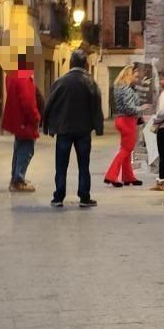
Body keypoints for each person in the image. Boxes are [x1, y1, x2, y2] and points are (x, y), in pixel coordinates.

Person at [42, 47, 103, 208]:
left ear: (70, 63)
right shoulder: (90, 82)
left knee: (61, 165)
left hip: (64, 130)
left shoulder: (60, 82)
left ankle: (58, 197)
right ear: (85, 64)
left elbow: (49, 104)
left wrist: (47, 126)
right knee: (84, 165)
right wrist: (99, 127)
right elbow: (96, 105)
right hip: (83, 130)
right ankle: (84, 197)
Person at [1, 54, 42, 193]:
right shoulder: (24, 79)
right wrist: (36, 117)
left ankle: (15, 177)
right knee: (26, 149)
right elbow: (27, 102)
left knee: (18, 148)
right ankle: (18, 180)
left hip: (18, 120)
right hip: (25, 121)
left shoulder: (12, 76)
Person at [104, 66, 143, 188]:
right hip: (127, 120)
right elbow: (129, 108)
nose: (137, 79)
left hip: (121, 119)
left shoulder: (119, 88)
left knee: (126, 149)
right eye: (135, 76)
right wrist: (142, 108)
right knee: (126, 150)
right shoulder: (127, 89)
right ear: (128, 75)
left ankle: (128, 177)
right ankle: (111, 176)